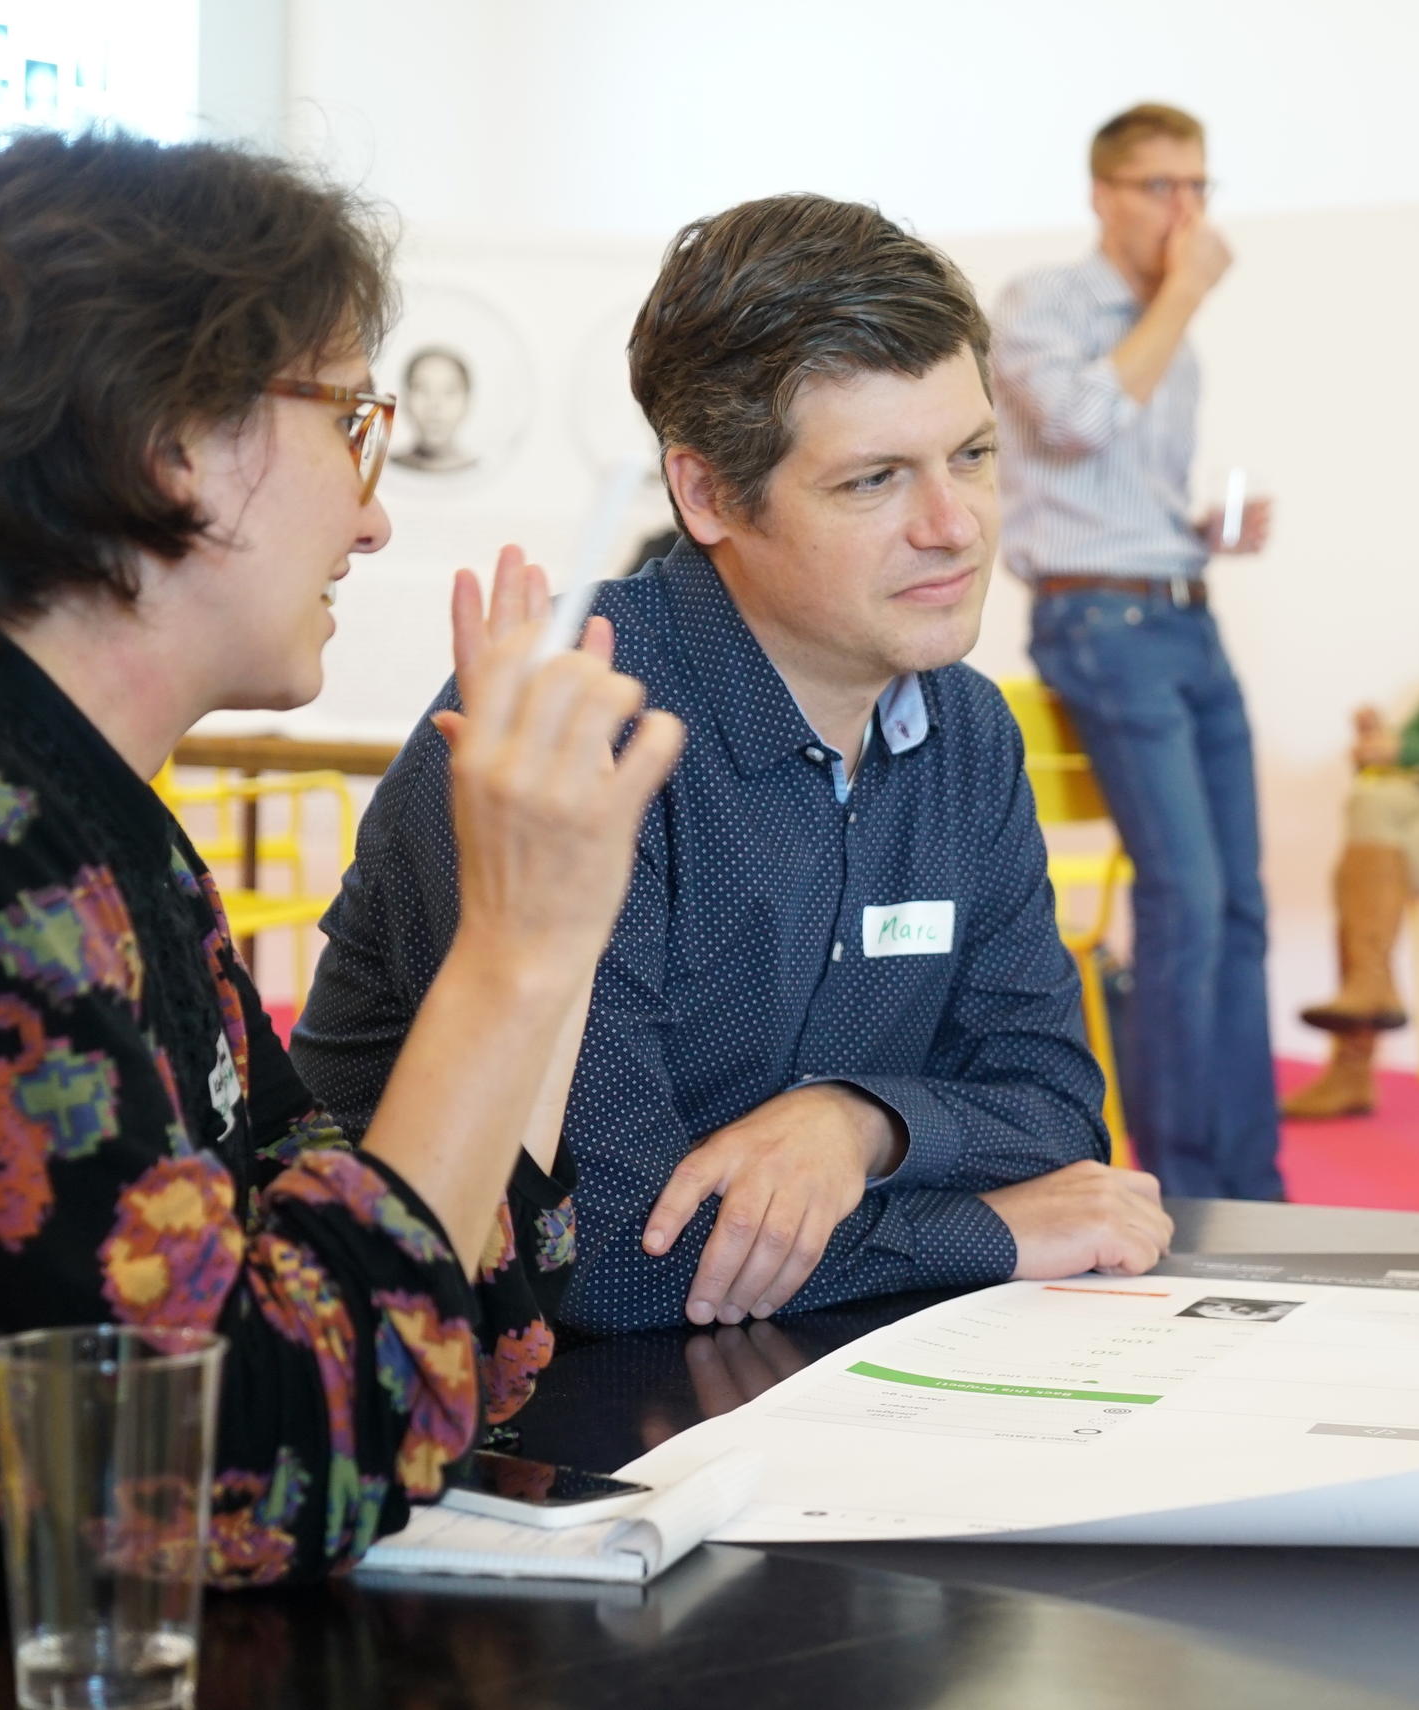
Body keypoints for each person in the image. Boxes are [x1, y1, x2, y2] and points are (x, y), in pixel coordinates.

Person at [0, 132, 681, 1583]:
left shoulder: (86, 812)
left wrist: (560, 933)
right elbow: (224, 1477)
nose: (376, 509)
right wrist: (509, 950)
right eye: (351, 423)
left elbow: (452, 1324)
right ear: (168, 443)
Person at [295, 194, 1171, 1334]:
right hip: (459, 1414)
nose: (955, 525)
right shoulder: (567, 722)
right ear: (706, 492)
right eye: (874, 480)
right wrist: (994, 1229)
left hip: (798, 1393)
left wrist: (855, 1124)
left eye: (972, 455)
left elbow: (1054, 1111)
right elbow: (599, 1253)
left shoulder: (969, 733)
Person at [990, 103, 1283, 1202]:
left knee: (1240, 904)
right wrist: (1182, 292)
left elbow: (1125, 486)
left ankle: (1256, 1186)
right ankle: (1191, 1190)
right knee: (1188, 896)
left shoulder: (1176, 330)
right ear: (1103, 194)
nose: (1186, 212)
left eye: (1199, 187)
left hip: (1180, 606)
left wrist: (1204, 531)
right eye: (1162, 186)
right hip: (1099, 624)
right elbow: (1076, 424)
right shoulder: (1042, 304)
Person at [1281, 673, 1419, 1120]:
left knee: (1361, 871)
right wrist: (1378, 746)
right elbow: (1407, 751)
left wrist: (1405, 751)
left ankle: (1352, 1059)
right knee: (1369, 805)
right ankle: (1370, 988)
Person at [392, 345, 478, 473]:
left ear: (468, 401)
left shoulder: (484, 473)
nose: (434, 405)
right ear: (405, 399)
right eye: (422, 389)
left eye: (449, 391)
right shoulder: (382, 470)